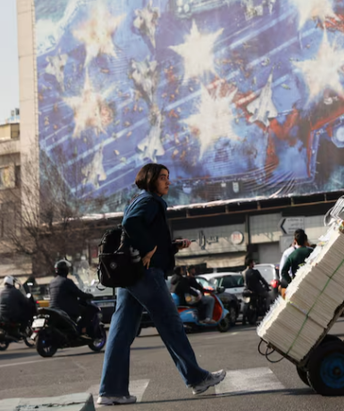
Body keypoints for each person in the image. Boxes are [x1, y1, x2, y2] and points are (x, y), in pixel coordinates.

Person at [97, 163, 225, 406]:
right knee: (171, 323)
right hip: (145, 274)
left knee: (121, 332)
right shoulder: (149, 201)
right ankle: (197, 379)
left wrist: (171, 246)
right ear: (150, 179)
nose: (168, 182)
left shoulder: (139, 199)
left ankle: (111, 391)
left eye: (168, 177)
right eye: (163, 178)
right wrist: (149, 249)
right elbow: (131, 225)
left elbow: (141, 231)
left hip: (130, 275)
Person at [49, 260, 97, 336]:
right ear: (65, 270)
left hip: (53, 308)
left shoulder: (52, 281)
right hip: (65, 308)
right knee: (88, 311)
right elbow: (78, 293)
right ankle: (82, 330)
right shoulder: (67, 281)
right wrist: (89, 295)